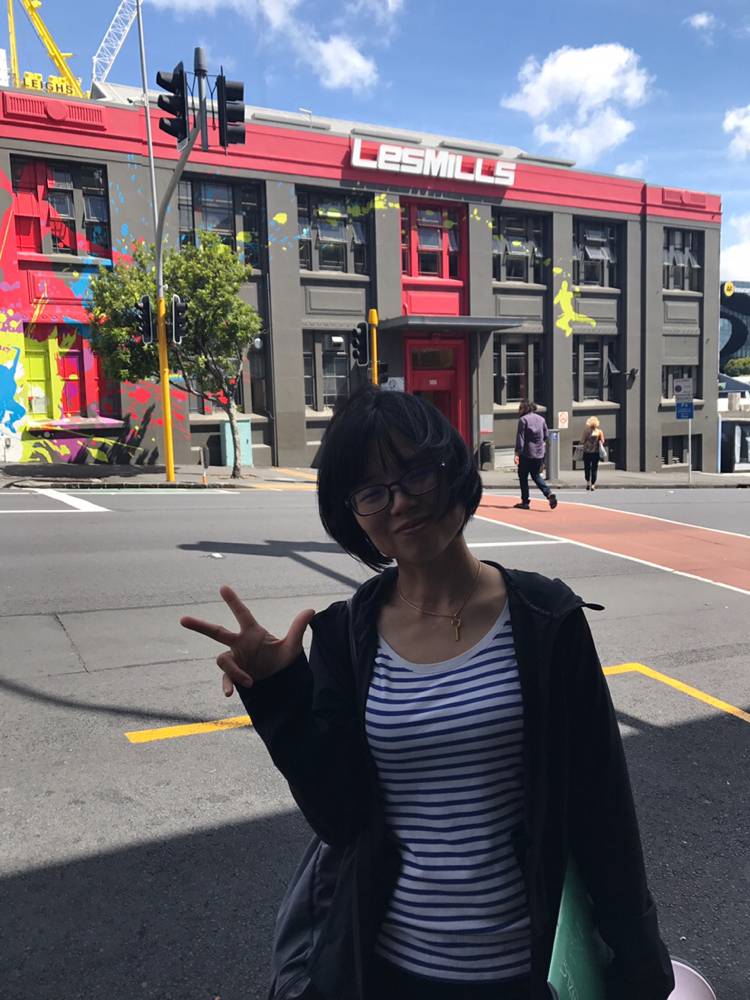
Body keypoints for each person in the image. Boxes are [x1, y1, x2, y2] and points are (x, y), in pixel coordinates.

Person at [180, 386, 674, 1000]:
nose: (400, 502)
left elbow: (603, 808)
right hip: (391, 969)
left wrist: (640, 962)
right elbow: (340, 816)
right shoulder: (345, 637)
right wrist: (280, 694)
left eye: (415, 473)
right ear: (353, 516)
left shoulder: (546, 619)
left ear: (451, 470)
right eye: (371, 491)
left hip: (524, 970)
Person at [514, 400, 557, 510]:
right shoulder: (541, 419)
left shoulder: (523, 420)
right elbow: (546, 435)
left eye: (520, 408)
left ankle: (525, 501)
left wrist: (517, 453)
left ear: (524, 409)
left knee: (523, 477)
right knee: (536, 475)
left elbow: (520, 438)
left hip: (526, 453)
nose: (519, 410)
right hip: (539, 453)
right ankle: (548, 493)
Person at [581, 416, 606, 491]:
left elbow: (582, 441)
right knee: (594, 468)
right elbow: (602, 441)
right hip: (595, 452)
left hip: (587, 452)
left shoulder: (586, 431)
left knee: (587, 467)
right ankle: (593, 484)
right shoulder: (599, 431)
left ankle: (588, 482)